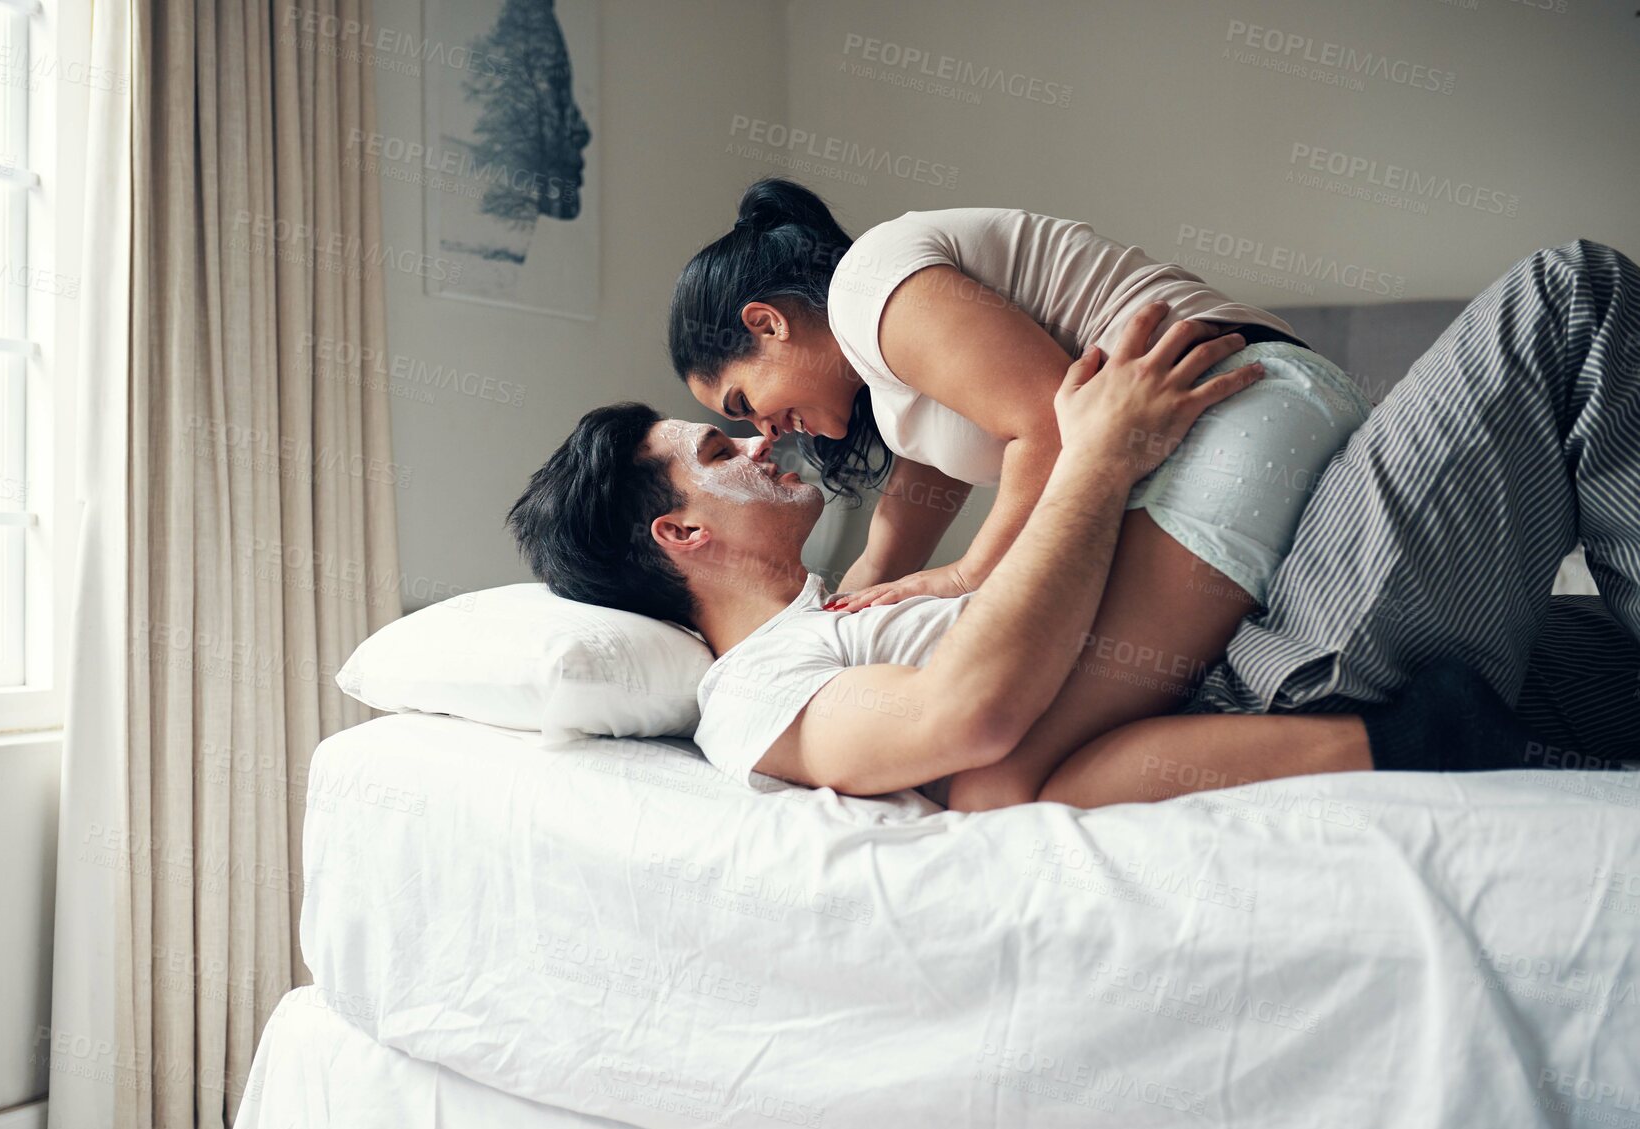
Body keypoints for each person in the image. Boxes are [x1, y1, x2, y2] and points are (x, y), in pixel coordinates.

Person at [511, 244, 1640, 810]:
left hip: (1278, 605)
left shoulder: (846, 603)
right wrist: (1097, 453)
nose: (767, 443)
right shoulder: (755, 687)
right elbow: (977, 723)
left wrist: (920, 565)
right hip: (1266, 676)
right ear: (681, 539)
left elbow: (950, 489)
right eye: (720, 450)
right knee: (1565, 295)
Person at [666, 180, 1372, 805]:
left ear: (767, 324)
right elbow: (920, 488)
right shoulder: (885, 369)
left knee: (1002, 786)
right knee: (1008, 775)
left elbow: (1052, 426)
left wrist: (972, 573)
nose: (764, 429)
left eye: (741, 401)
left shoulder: (868, 290)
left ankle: (1417, 736)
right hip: (1217, 426)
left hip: (1232, 408)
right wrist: (858, 593)